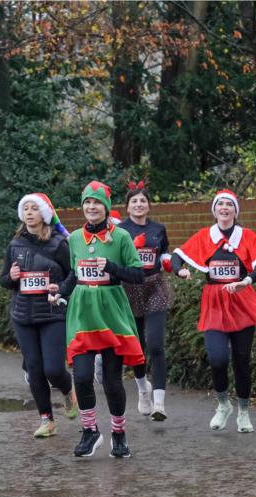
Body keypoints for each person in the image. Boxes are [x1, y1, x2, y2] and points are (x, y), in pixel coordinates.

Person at [51, 181, 145, 459]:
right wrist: (60, 292)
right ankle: (90, 431)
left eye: (96, 203)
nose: (91, 207)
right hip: (82, 312)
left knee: (112, 381)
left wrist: (112, 268)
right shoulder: (75, 238)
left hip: (111, 311)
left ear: (105, 207)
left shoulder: (122, 237)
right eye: (87, 203)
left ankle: (118, 432)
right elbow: (73, 274)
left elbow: (138, 275)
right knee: (80, 377)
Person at [171, 189, 256, 433]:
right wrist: (179, 271)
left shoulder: (246, 236)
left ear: (235, 211)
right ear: (214, 210)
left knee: (241, 360)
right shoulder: (205, 236)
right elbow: (177, 256)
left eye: (229, 205)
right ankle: (223, 404)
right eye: (220, 205)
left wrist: (245, 281)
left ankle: (244, 412)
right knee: (217, 358)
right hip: (214, 302)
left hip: (241, 300)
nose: (224, 208)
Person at [1, 193, 78, 438]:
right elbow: (5, 280)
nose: (30, 213)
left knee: (54, 370)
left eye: (35, 208)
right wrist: (11, 278)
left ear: (44, 214)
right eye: (26, 209)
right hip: (23, 315)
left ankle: (68, 391)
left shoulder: (58, 244)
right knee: (34, 368)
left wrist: (61, 290)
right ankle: (46, 419)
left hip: (52, 312)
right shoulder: (14, 245)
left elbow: (73, 274)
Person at [118, 180, 174, 420]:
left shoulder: (158, 229)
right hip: (129, 289)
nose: (139, 204)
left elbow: (163, 253)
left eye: (143, 201)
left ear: (149, 206)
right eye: (134, 201)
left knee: (155, 344)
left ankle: (159, 404)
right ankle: (143, 390)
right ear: (127, 207)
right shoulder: (120, 231)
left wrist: (170, 262)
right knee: (136, 347)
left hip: (154, 287)